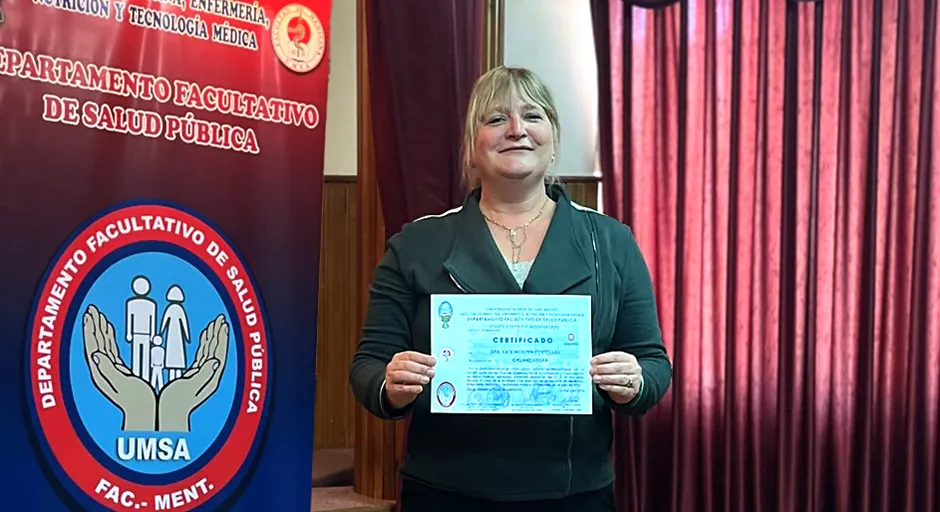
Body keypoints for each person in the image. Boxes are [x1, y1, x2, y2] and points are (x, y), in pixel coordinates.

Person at [349, 65, 672, 512]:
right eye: (496, 119)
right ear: (472, 146)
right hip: (444, 492)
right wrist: (390, 383)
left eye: (533, 116)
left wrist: (634, 380)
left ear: (553, 140)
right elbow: (368, 366)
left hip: (574, 494)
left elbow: (654, 364)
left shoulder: (611, 242)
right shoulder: (416, 245)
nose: (517, 130)